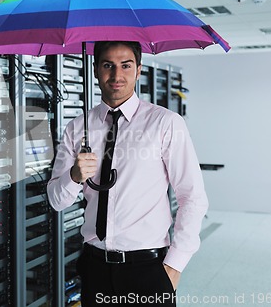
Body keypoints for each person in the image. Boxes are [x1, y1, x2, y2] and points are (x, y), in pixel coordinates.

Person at [47, 41, 208, 306]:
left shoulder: (165, 123)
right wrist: (74, 176)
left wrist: (175, 266)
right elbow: (56, 200)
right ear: (96, 69)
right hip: (94, 265)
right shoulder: (77, 128)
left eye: (126, 65)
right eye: (108, 65)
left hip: (147, 268)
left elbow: (193, 196)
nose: (116, 75)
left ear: (139, 69)